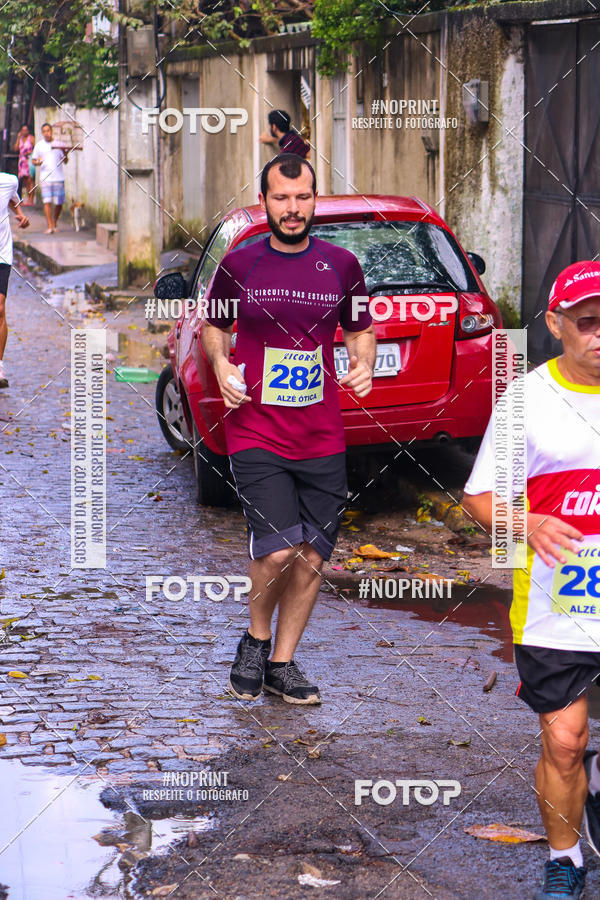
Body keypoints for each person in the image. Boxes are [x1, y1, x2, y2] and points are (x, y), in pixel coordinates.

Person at [202, 152, 375, 705]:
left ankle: (282, 662)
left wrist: (364, 362)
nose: (293, 208)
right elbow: (214, 327)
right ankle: (256, 639)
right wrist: (223, 365)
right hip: (256, 428)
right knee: (278, 551)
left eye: (302, 198)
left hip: (321, 433)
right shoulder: (241, 264)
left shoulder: (343, 265)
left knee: (313, 556)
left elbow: (359, 329)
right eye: (282, 198)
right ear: (266, 202)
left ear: (314, 200)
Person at [462, 260, 600, 899]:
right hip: (555, 604)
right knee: (566, 741)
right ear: (554, 325)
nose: (599, 334)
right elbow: (481, 499)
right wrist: (529, 521)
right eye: (586, 322)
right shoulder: (527, 400)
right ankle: (565, 857)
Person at [0, 172, 30, 388]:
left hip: (2, 253)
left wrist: (20, 214)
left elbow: (11, 198)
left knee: (0, 309)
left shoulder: (8, 181)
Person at [31, 123, 69, 233]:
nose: (46, 133)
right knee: (47, 201)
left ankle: (54, 221)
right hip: (46, 178)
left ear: (51, 131)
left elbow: (66, 161)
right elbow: (34, 160)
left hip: (58, 177)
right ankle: (50, 225)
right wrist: (37, 162)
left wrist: (65, 153)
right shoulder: (39, 145)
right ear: (42, 133)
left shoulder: (59, 144)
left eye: (48, 131)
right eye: (44, 131)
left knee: (59, 203)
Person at [13, 125, 35, 206]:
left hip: (29, 161)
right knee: (26, 181)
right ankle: (28, 199)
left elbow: (36, 149)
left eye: (26, 130)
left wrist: (29, 153)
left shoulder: (31, 138)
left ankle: (31, 199)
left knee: (30, 180)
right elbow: (15, 149)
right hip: (22, 161)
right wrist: (18, 138)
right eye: (23, 130)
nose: (24, 132)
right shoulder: (21, 139)